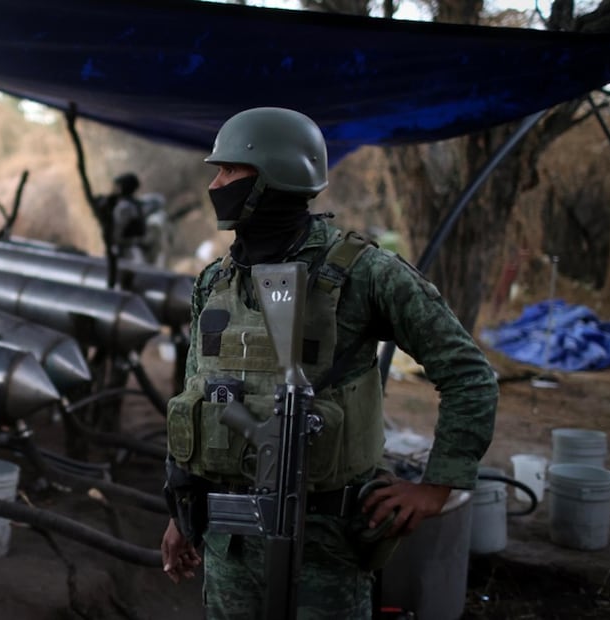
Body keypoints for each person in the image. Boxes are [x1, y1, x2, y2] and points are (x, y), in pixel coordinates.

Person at [159, 107, 499, 618]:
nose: (216, 182)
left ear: (275, 174)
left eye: (230, 170)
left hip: (324, 545)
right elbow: (199, 392)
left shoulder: (363, 273)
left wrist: (437, 485)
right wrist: (181, 511)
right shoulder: (216, 280)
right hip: (228, 542)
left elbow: (469, 374)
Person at [104, 172, 170, 267]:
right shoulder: (123, 204)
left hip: (123, 253)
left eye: (118, 186)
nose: (114, 188)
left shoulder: (125, 208)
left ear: (123, 188)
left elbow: (116, 235)